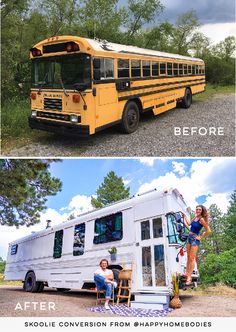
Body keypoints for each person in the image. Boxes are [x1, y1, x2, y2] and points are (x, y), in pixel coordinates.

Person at [183, 205, 211, 285]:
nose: (198, 210)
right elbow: (188, 224)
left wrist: (201, 237)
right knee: (188, 257)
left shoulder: (201, 219)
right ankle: (186, 273)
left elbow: (208, 231)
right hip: (189, 238)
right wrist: (184, 216)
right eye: (197, 209)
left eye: (199, 209)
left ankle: (189, 277)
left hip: (195, 239)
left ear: (202, 211)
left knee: (192, 258)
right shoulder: (195, 217)